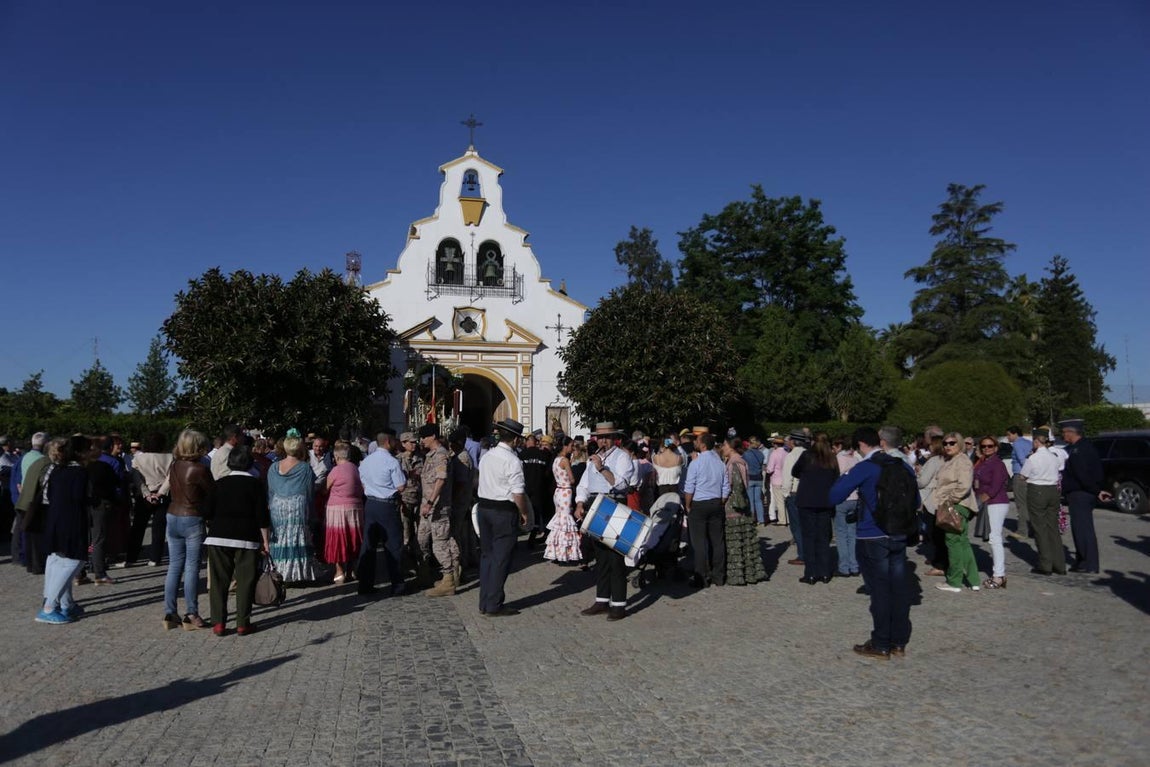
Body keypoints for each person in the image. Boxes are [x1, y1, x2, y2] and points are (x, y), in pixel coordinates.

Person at [830, 427, 918, 659]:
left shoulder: (865, 467)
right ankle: (898, 642)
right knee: (898, 589)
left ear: (860, 444)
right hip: (899, 533)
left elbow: (834, 495)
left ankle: (880, 643)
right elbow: (916, 499)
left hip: (872, 534)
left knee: (879, 590)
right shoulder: (903, 466)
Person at [203, 446, 270, 636]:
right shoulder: (255, 485)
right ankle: (242, 622)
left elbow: (206, 510)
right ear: (250, 463)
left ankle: (219, 622)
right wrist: (266, 541)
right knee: (245, 581)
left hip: (218, 536)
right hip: (246, 539)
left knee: (218, 582)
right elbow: (262, 517)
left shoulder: (219, 483)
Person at [574, 422, 636, 618]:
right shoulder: (594, 459)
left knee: (615, 557)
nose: (602, 441)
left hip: (614, 504)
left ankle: (618, 604)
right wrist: (579, 503)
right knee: (600, 556)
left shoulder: (622, 457)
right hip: (596, 504)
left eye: (607, 437)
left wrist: (602, 469)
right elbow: (584, 484)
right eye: (600, 437)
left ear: (614, 438)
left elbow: (621, 484)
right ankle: (602, 600)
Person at [476, 418, 529, 617]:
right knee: (501, 559)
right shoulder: (513, 460)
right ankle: (494, 604)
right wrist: (524, 513)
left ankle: (484, 601)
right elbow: (518, 493)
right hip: (503, 511)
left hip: (484, 507)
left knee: (487, 556)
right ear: (515, 440)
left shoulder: (487, 455)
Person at [36, 436, 91, 624]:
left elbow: (49, 494)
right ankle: (49, 606)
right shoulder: (80, 473)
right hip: (72, 520)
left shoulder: (58, 469)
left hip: (55, 518)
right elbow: (80, 497)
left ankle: (65, 603)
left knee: (57, 559)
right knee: (73, 560)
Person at [163, 429, 214, 630]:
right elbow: (212, 493)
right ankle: (192, 613)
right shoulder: (199, 469)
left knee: (174, 566)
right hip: (192, 516)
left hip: (172, 514)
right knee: (192, 566)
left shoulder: (174, 465)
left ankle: (169, 612)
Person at [356, 431, 407, 596]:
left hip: (370, 503)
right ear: (388, 441)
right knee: (393, 545)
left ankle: (365, 584)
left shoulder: (365, 461)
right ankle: (397, 584)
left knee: (369, 545)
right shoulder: (391, 461)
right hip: (387, 504)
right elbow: (400, 486)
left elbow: (362, 483)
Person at [1058, 419, 1111, 574]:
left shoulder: (1078, 451)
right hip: (1081, 493)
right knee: (1080, 529)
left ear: (1070, 432)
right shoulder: (1082, 447)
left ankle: (1089, 563)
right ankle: (1082, 561)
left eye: (1064, 432)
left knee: (1083, 530)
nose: (1063, 435)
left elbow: (1083, 475)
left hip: (1081, 494)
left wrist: (1096, 491)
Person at [267, 430, 319, 584]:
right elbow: (309, 492)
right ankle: (297, 572)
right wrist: (312, 512)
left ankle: (279, 570)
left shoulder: (274, 467)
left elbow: (270, 490)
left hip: (278, 505)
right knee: (297, 536)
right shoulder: (305, 468)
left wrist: (270, 505)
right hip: (297, 504)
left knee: (280, 537)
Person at [933, 432, 980, 593]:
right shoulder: (952, 460)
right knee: (962, 542)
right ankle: (974, 580)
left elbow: (964, 485)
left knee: (952, 542)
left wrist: (949, 500)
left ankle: (954, 582)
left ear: (959, 444)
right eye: (945, 443)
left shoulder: (962, 461)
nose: (948, 446)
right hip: (956, 504)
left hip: (956, 505)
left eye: (952, 443)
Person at [682, 431, 730, 589]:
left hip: (699, 503)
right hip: (716, 502)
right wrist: (721, 501)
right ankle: (719, 576)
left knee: (699, 542)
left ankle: (701, 577)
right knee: (717, 541)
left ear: (702, 444)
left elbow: (689, 486)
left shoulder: (696, 463)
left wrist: (688, 505)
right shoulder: (720, 463)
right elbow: (726, 486)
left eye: (697, 440)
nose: (695, 442)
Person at [416, 424, 459, 597]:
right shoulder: (430, 455)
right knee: (422, 540)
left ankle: (449, 579)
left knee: (440, 544)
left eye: (424, 437)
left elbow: (441, 479)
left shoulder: (441, 455)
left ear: (432, 436)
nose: (422, 440)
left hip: (437, 508)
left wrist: (430, 502)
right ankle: (425, 573)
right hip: (427, 507)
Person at [792, 432, 840, 584]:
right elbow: (836, 477)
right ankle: (825, 572)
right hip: (825, 500)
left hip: (807, 499)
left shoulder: (807, 456)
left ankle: (811, 573)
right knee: (823, 537)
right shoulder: (831, 458)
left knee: (809, 537)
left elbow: (795, 471)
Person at [1020, 429, 1066, 575]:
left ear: (1036, 441)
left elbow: (1023, 476)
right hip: (1053, 490)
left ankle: (1045, 564)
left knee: (1040, 527)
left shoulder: (1033, 458)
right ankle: (1060, 564)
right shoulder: (1054, 456)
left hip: (1037, 489)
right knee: (1053, 527)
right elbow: (1059, 468)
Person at [720, 437, 765, 586]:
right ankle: (748, 573)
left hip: (735, 505)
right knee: (743, 539)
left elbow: (737, 485)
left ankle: (738, 575)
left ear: (731, 447)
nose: (722, 448)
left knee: (736, 539)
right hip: (740, 504)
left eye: (724, 445)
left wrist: (727, 501)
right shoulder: (736, 460)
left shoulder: (734, 462)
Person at [324, 442, 365, 584]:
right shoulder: (357, 469)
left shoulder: (335, 471)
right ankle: (352, 569)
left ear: (336, 456)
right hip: (355, 507)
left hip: (337, 508)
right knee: (353, 538)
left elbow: (326, 488)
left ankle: (339, 569)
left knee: (338, 539)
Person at [974, 434, 1011, 589]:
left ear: (996, 447)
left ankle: (999, 575)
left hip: (996, 502)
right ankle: (998, 574)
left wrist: (985, 496)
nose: (986, 448)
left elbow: (996, 484)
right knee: (992, 537)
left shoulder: (997, 463)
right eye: (984, 446)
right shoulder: (983, 462)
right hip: (987, 502)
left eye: (990, 446)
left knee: (995, 538)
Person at [544, 436, 581, 563]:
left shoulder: (556, 459)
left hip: (558, 491)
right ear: (565, 446)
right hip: (566, 490)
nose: (572, 448)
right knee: (566, 522)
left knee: (560, 521)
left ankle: (556, 550)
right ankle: (565, 553)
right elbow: (572, 479)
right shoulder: (565, 460)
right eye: (571, 445)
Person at [449, 429, 479, 577]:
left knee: (458, 533)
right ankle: (469, 558)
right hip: (464, 500)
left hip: (460, 501)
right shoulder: (459, 455)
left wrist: (453, 498)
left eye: (452, 443)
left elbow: (460, 483)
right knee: (466, 532)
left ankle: (462, 562)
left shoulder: (462, 457)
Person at [917, 435, 948, 577]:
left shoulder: (934, 460)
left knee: (935, 533)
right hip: (943, 499)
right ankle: (939, 559)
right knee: (940, 533)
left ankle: (940, 564)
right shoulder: (947, 459)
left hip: (932, 500)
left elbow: (923, 481)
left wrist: (917, 475)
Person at [832, 436, 861, 578]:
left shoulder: (837, 459)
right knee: (852, 533)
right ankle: (854, 565)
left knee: (841, 534)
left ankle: (844, 567)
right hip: (855, 498)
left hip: (841, 498)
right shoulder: (855, 459)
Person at [781, 431, 808, 564]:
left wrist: (785, 494)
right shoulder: (808, 453)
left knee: (796, 526)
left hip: (794, 493)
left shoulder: (791, 456)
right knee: (807, 525)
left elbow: (787, 478)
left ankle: (802, 554)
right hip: (807, 493)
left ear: (793, 442)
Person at [1005, 426, 1033, 540]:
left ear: (1015, 434)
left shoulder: (1017, 444)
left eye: (1009, 435)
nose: (1008, 437)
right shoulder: (1028, 442)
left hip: (1020, 475)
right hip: (1031, 476)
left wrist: (1024, 474)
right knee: (1029, 504)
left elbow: (1022, 460)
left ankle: (1022, 530)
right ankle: (1031, 528)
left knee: (1021, 504)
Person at [743, 436, 767, 526]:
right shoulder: (761, 454)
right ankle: (761, 520)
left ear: (749, 443)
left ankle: (752, 519)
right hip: (759, 478)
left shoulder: (746, 454)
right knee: (758, 500)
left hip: (750, 477)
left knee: (750, 500)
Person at [765, 434, 788, 525]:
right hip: (785, 479)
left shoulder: (774, 453)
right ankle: (787, 518)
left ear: (775, 444)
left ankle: (782, 520)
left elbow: (770, 469)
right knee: (785, 501)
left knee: (779, 502)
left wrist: (766, 470)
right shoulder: (786, 453)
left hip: (776, 480)